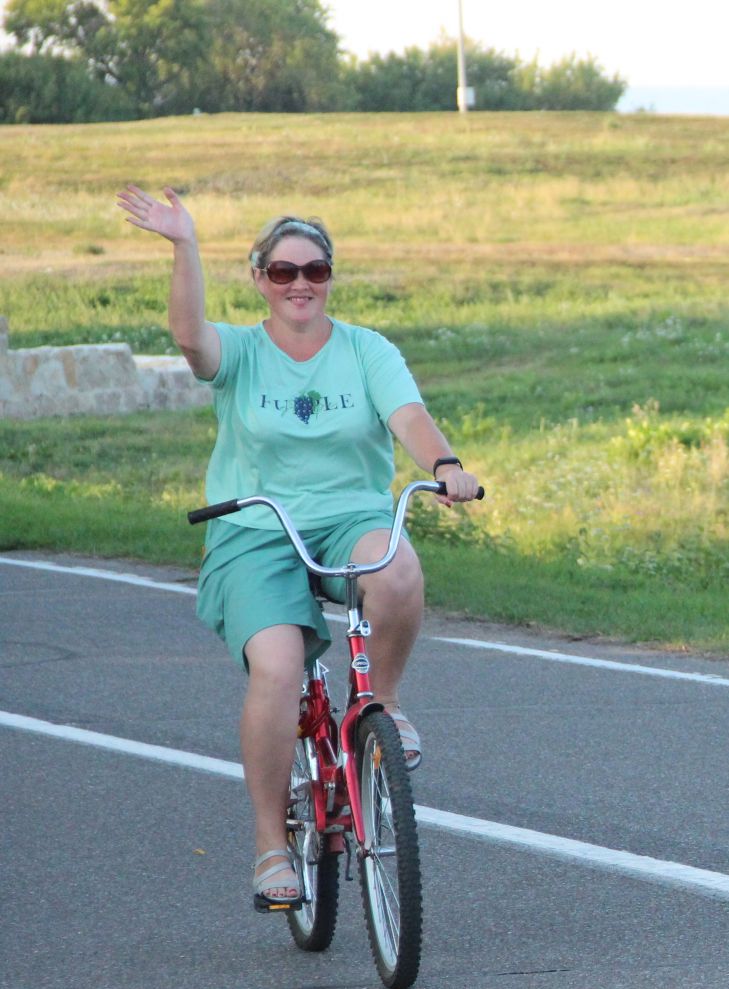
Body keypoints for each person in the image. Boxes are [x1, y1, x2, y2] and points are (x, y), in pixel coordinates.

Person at [116, 185, 481, 911]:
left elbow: (409, 416)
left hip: (349, 515)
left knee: (400, 569)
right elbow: (192, 339)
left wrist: (443, 466)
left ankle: (384, 702)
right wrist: (185, 245)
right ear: (260, 279)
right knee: (279, 668)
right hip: (255, 527)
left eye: (314, 271)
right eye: (283, 272)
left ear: (330, 278)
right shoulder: (244, 351)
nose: (300, 285)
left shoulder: (367, 350)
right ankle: (270, 847)